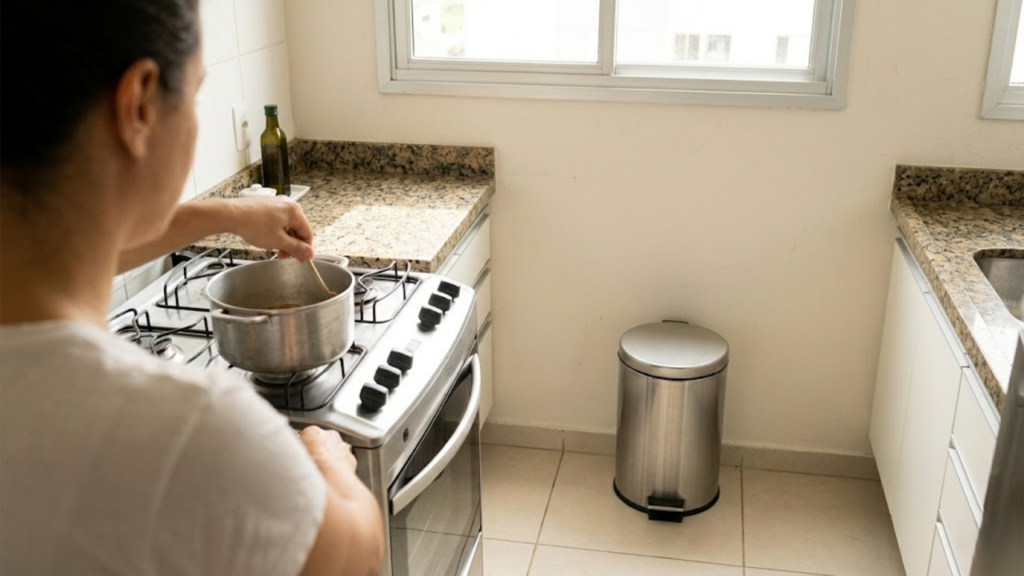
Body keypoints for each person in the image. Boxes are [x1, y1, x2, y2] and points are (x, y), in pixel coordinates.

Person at [0, 1, 385, 575]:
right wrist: (324, 458)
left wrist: (230, 213)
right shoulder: (193, 436)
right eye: (196, 93)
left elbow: (70, 247)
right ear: (139, 106)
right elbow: (356, 553)